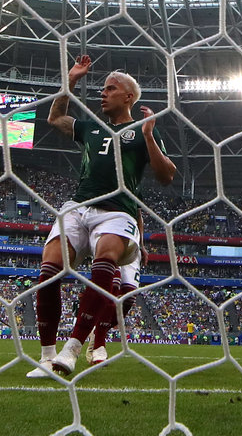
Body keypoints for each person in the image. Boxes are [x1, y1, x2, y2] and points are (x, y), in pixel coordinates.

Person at [26, 57, 176, 378]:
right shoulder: (91, 127)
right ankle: (47, 356)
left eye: (111, 89)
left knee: (105, 261)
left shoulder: (142, 132)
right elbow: (55, 118)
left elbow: (167, 175)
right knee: (49, 270)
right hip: (78, 206)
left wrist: (150, 137)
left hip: (117, 211)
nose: (103, 93)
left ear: (128, 97)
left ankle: (73, 349)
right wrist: (71, 80)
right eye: (103, 88)